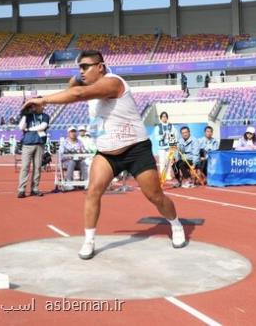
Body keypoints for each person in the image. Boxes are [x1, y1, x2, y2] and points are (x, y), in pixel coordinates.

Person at [22, 50, 186, 260]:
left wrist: (43, 100)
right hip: (107, 152)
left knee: (154, 196)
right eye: (79, 67)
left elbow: (78, 94)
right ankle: (89, 240)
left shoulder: (113, 83)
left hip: (135, 148)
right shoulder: (87, 84)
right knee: (93, 191)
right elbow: (74, 88)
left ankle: (176, 224)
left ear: (100, 67)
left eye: (85, 67)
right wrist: (77, 77)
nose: (81, 71)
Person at [17, 98, 50, 198]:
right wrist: (24, 115)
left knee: (38, 167)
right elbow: (21, 127)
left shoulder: (45, 116)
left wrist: (29, 129)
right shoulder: (28, 116)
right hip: (27, 143)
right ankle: (21, 189)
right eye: (39, 104)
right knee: (25, 167)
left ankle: (34, 188)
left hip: (39, 143)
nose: (42, 106)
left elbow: (43, 126)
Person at [155, 111, 177, 184]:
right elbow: (156, 137)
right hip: (161, 147)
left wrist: (173, 145)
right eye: (163, 116)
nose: (164, 118)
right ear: (161, 118)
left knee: (169, 161)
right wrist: (162, 136)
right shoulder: (158, 127)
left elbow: (174, 135)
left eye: (165, 116)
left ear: (167, 117)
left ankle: (168, 175)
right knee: (162, 161)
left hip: (169, 147)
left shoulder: (171, 126)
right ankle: (162, 175)